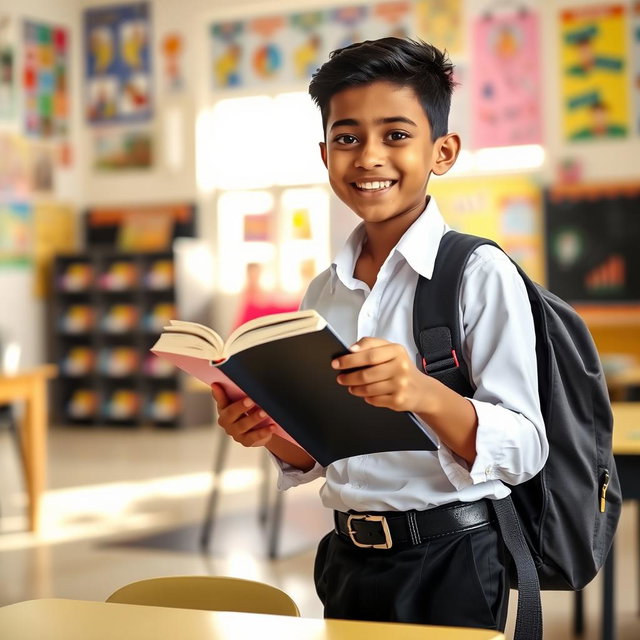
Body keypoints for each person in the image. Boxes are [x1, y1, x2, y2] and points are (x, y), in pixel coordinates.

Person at [211, 37, 548, 632]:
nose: (368, 156)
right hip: (344, 559)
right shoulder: (323, 293)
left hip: (452, 559)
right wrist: (269, 433)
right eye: (347, 137)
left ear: (442, 152)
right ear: (324, 153)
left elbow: (524, 449)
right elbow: (324, 453)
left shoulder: (478, 273)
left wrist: (421, 392)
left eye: (396, 135)